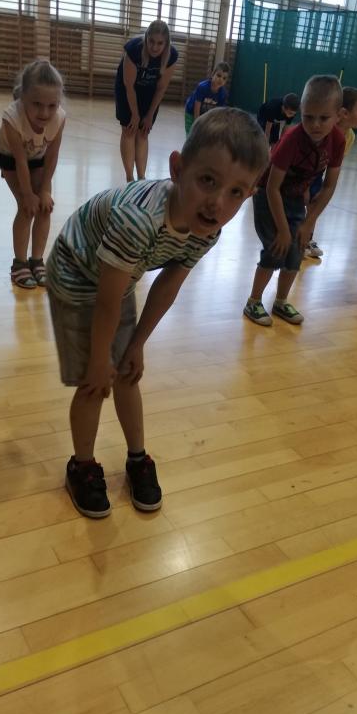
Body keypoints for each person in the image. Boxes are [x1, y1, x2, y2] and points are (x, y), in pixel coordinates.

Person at [45, 108, 269, 519]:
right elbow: (107, 301)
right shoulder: (138, 219)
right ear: (177, 169)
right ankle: (81, 465)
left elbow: (168, 283)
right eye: (208, 180)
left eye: (236, 192)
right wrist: (99, 359)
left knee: (127, 369)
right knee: (95, 380)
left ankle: (137, 458)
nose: (217, 203)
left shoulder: (208, 227)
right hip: (76, 270)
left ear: (250, 193)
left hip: (119, 274)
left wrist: (137, 344)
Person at [243, 75, 344, 327]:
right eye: (308, 117)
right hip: (268, 196)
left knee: (296, 250)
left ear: (338, 115)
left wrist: (309, 222)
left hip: (296, 197)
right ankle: (254, 301)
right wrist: (283, 230)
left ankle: (281, 301)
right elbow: (272, 187)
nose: (315, 124)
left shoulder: (338, 141)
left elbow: (329, 185)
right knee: (276, 248)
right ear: (301, 113)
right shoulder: (291, 139)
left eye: (324, 118)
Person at [0, 59, 65, 289]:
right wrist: (27, 194)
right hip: (10, 157)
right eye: (37, 104)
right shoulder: (12, 118)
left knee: (44, 206)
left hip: (38, 157)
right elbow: (20, 161)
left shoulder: (59, 118)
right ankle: (20, 264)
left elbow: (52, 156)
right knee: (27, 207)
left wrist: (44, 190)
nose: (45, 112)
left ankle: (37, 260)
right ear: (23, 98)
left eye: (52, 105)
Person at [305, 85, 357, 259]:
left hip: (318, 173)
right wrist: (305, 186)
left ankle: (306, 240)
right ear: (344, 113)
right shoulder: (323, 130)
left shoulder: (350, 137)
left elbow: (334, 165)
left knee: (314, 205)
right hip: (301, 171)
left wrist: (323, 188)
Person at [114, 20, 178, 182]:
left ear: (166, 43)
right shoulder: (134, 49)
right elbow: (129, 86)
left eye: (160, 43)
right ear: (146, 38)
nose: (155, 47)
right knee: (129, 130)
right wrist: (135, 114)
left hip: (150, 91)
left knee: (143, 132)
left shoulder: (171, 56)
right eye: (151, 41)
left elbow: (161, 88)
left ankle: (142, 178)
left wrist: (149, 115)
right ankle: (130, 178)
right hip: (127, 89)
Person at [184, 62, 230, 135]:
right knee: (192, 134)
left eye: (224, 78)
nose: (221, 79)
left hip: (205, 114)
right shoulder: (202, 87)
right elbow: (197, 107)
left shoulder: (223, 94)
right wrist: (197, 123)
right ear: (212, 75)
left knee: (203, 135)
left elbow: (218, 112)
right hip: (191, 113)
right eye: (218, 75)